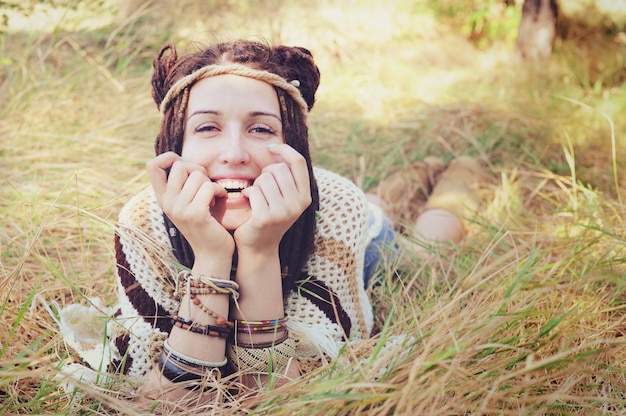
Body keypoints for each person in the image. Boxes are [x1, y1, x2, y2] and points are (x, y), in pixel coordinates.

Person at [58, 39, 487, 405]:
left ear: (292, 143)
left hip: (366, 240)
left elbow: (276, 392)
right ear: (176, 144)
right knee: (379, 196)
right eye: (207, 127)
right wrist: (211, 255)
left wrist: (259, 251)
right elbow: (167, 402)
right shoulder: (141, 220)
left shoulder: (338, 210)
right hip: (339, 201)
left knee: (429, 237)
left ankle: (463, 169)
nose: (235, 153)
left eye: (261, 130)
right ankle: (422, 170)